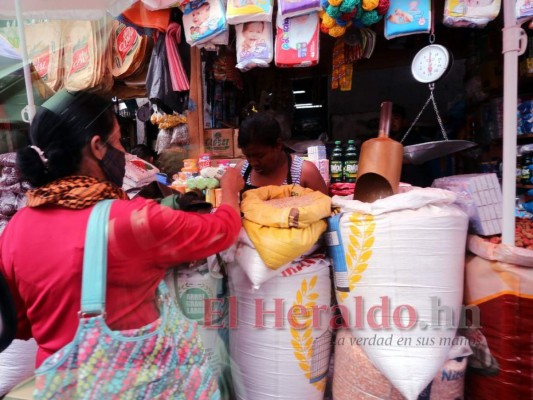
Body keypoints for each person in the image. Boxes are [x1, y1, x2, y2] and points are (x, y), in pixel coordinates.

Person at [0, 90, 244, 373]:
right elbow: (222, 231)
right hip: (131, 381)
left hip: (60, 384)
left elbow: (17, 323)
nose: (125, 153)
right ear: (97, 147)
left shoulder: (17, 227)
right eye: (117, 141)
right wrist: (229, 190)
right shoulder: (132, 220)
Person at [235, 106, 328, 195]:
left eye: (260, 156)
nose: (253, 162)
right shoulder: (240, 172)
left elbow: (325, 207)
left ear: (278, 145)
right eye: (248, 156)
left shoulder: (305, 173)